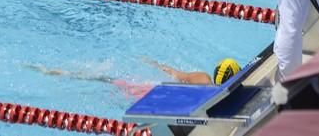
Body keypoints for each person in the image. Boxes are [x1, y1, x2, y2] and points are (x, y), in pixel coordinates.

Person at [25, 57, 241, 99]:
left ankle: (64, 73)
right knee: (106, 81)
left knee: (106, 79)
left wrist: (154, 64)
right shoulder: (205, 88)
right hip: (154, 95)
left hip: (152, 88)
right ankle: (62, 73)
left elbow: (173, 73)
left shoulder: (201, 78)